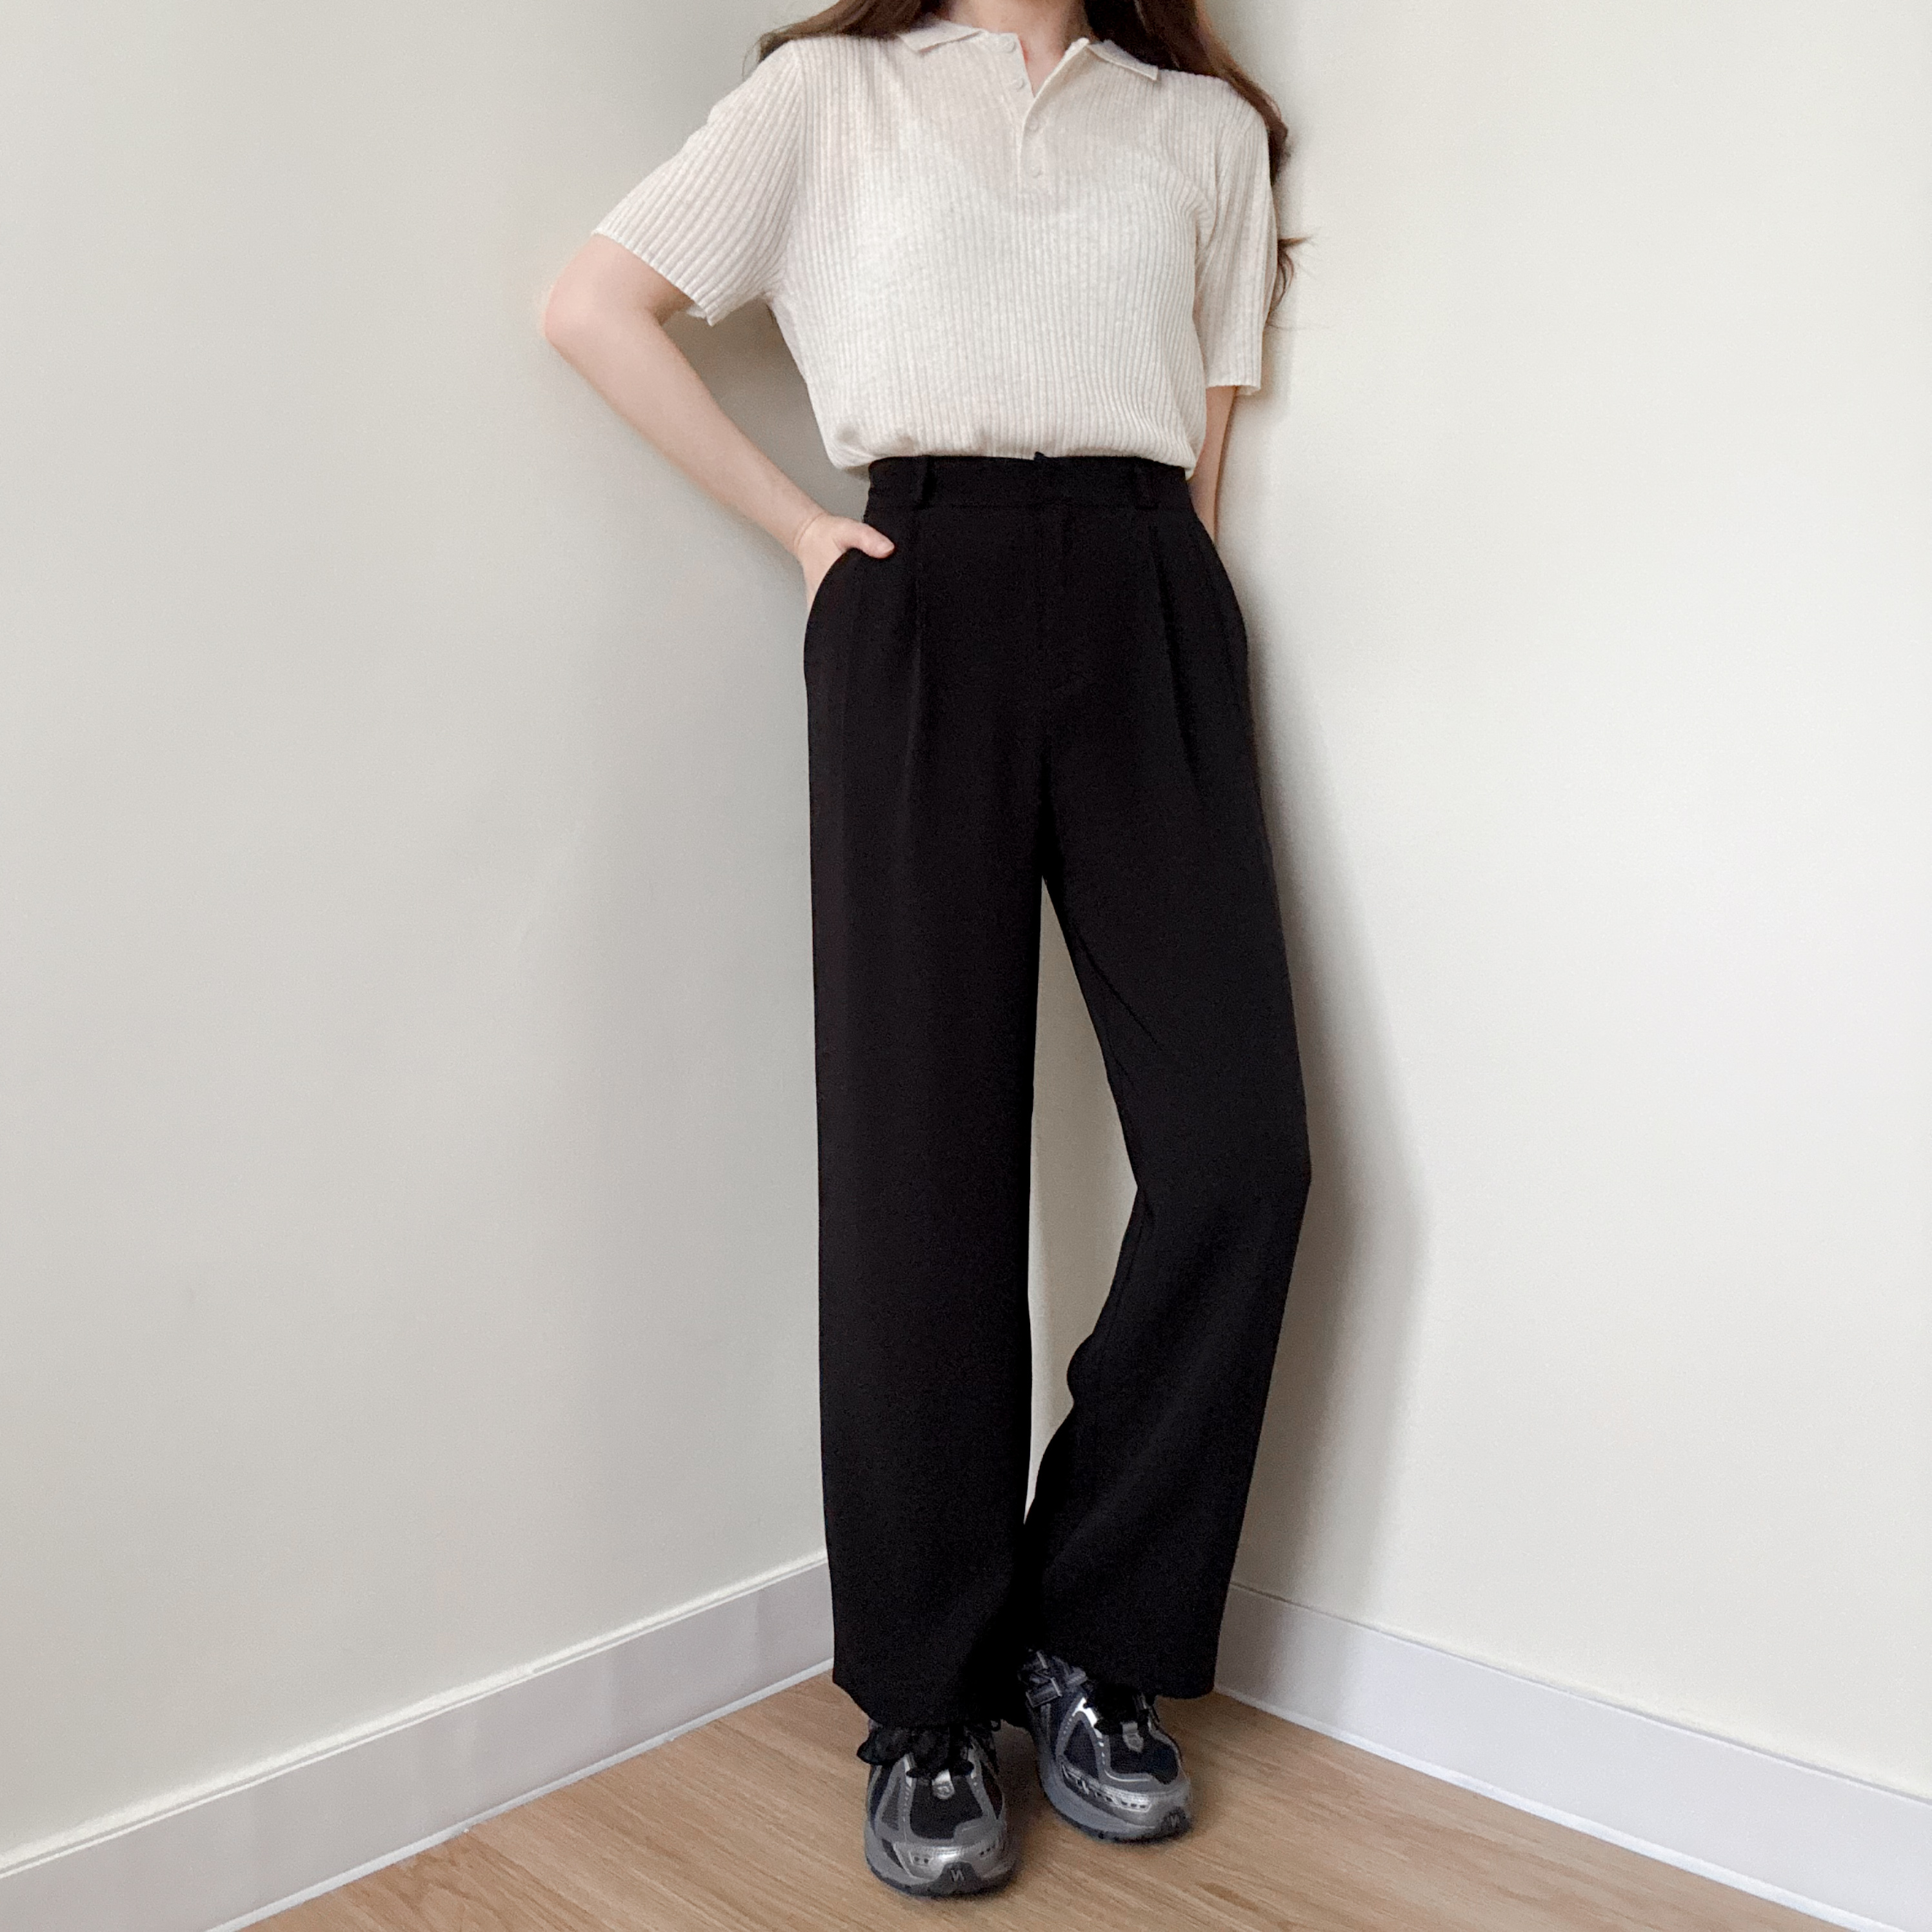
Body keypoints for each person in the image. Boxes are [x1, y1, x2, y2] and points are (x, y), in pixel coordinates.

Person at [542, 0, 1311, 1898]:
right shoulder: (827, 99)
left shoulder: (1201, 133)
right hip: (917, 589)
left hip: (1150, 592)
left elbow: (1204, 451)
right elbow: (593, 306)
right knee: (917, 1175)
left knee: (1241, 1154)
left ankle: (1091, 1632)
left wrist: (1177, 629)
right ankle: (929, 1699)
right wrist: (804, 534)